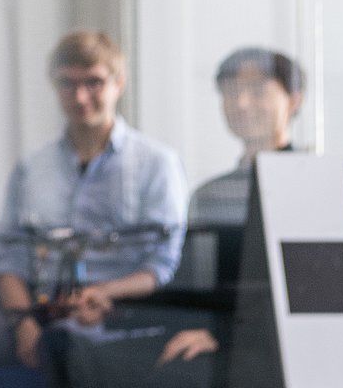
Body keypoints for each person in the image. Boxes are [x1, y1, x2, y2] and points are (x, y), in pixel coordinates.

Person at [0, 31, 186, 388]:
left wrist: (104, 293)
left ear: (119, 83)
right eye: (67, 84)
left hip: (115, 313)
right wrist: (24, 322)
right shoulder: (32, 169)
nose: (80, 97)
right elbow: (9, 259)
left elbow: (162, 264)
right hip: (37, 312)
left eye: (94, 82)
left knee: (67, 353)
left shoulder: (156, 164)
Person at [63, 47, 306, 388]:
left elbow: (304, 291)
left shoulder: (309, 185)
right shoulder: (210, 195)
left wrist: (223, 334)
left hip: (268, 342)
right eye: (231, 92)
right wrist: (112, 302)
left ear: (293, 100)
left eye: (257, 91)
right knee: (84, 356)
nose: (242, 104)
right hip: (208, 328)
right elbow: (194, 285)